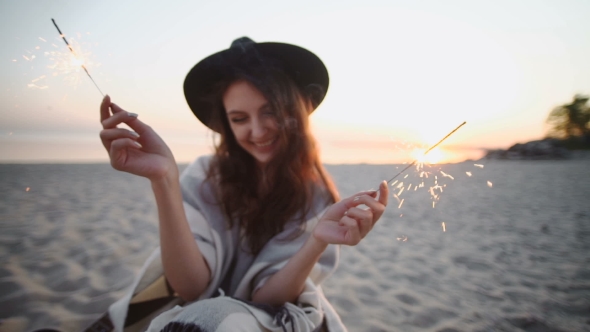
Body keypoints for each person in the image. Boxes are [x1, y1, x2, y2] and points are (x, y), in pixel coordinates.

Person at [98, 37, 389, 332]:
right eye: (239, 118)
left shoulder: (315, 195)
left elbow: (267, 299)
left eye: (270, 111)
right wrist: (163, 180)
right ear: (226, 124)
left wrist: (316, 241)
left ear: (294, 111)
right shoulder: (205, 174)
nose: (258, 130)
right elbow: (190, 287)